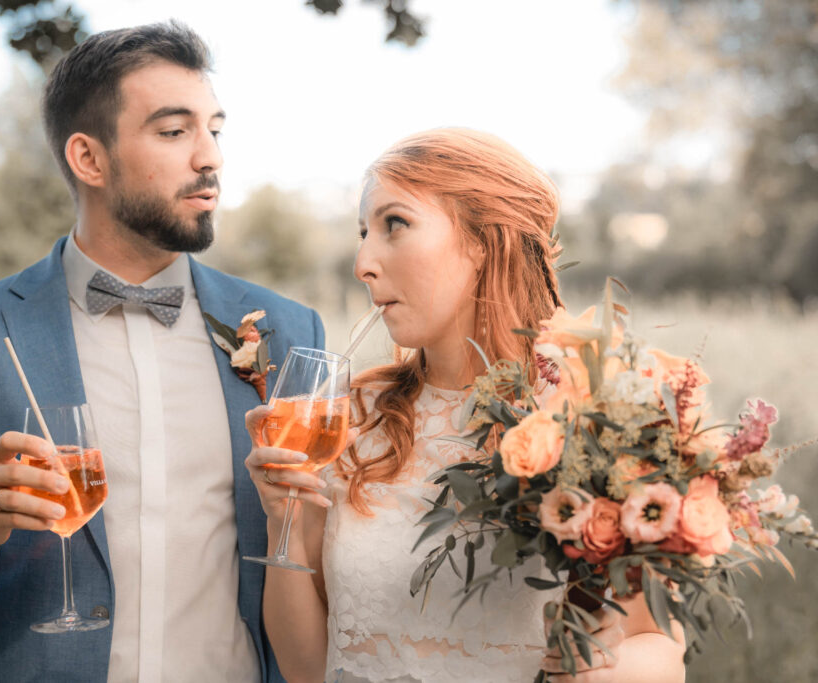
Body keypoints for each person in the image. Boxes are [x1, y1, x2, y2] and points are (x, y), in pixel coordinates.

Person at [0, 21, 321, 683]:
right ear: (88, 159)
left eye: (215, 128)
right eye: (174, 131)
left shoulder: (290, 333)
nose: (209, 156)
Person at [244, 129, 687, 682]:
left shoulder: (590, 417)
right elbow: (308, 668)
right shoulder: (350, 417)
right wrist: (282, 517)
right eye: (363, 232)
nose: (362, 262)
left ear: (482, 240)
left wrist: (601, 674)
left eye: (394, 224)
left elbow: (655, 640)